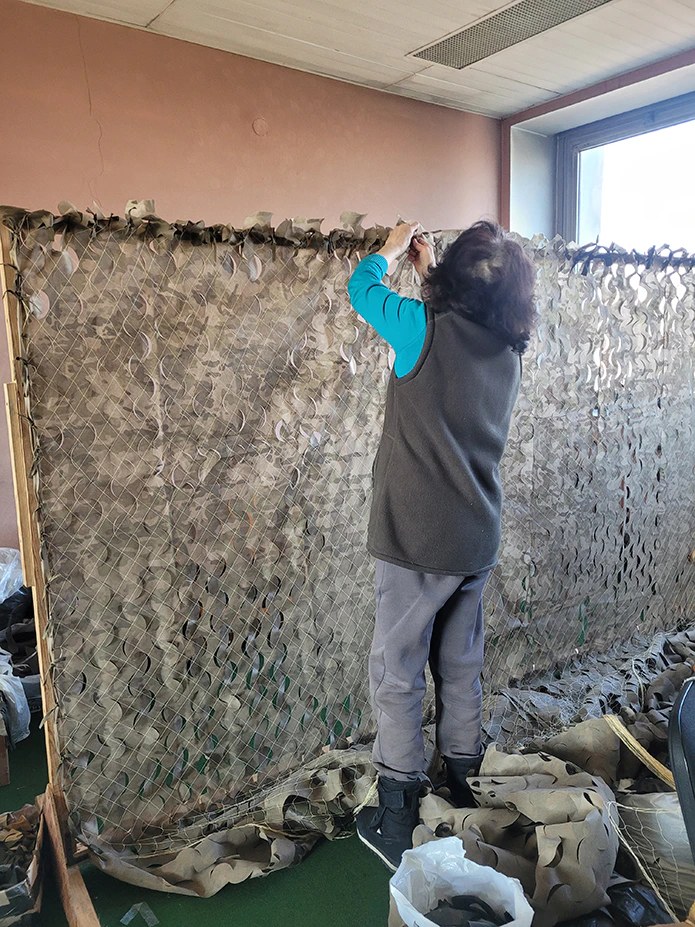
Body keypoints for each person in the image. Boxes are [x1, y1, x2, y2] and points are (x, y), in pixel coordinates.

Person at [347, 219, 537, 871]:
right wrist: (430, 273)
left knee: (396, 669)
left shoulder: (419, 329)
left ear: (453, 283)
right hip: (474, 540)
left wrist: (392, 249)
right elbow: (452, 332)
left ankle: (397, 810)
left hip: (415, 540)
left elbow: (360, 287)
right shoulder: (506, 348)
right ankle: (462, 782)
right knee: (459, 664)